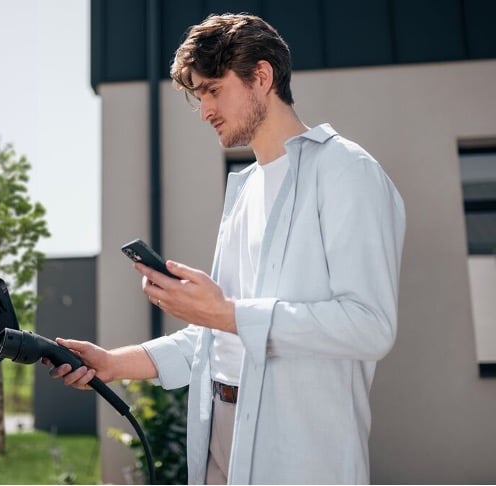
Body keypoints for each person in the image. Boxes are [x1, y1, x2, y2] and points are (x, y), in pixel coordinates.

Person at [46, 12, 406, 485]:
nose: (205, 110)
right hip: (220, 437)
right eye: (198, 97)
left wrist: (226, 314)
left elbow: (369, 326)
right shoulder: (244, 191)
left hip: (301, 454)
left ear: (261, 76)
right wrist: (115, 363)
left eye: (213, 90)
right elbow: (219, 336)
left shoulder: (345, 171)